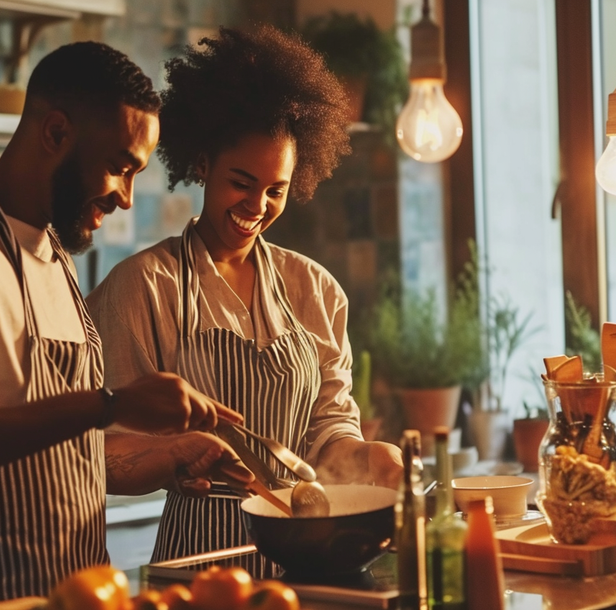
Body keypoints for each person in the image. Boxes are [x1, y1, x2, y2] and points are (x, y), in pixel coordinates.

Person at [0, 41, 251, 609]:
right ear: (56, 132)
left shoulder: (56, 256)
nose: (125, 196)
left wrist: (161, 455)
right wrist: (111, 405)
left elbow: (56, 461)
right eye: (120, 167)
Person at [87, 25, 404, 572]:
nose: (257, 205)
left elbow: (328, 430)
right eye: (242, 181)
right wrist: (173, 456)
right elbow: (102, 455)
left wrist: (372, 458)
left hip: (306, 566)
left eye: (275, 190)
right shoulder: (143, 287)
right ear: (204, 163)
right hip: (199, 569)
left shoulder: (315, 290)